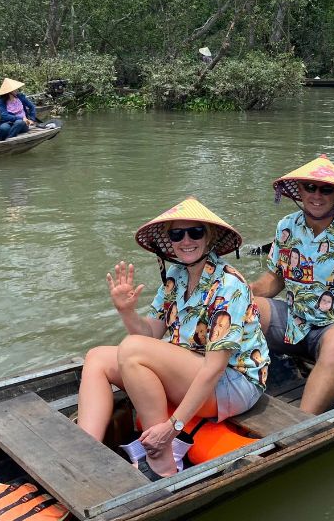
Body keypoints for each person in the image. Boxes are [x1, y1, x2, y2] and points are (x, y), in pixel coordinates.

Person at [75, 197, 268, 481]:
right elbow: (149, 335)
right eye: (177, 234)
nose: (185, 240)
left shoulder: (229, 285)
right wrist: (126, 311)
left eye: (195, 232)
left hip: (232, 382)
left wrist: (173, 427)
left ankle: (162, 458)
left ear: (209, 236)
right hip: (192, 368)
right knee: (97, 358)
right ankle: (83, 451)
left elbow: (214, 369)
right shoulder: (176, 276)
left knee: (132, 350)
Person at [252, 155, 334, 414]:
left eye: (326, 189)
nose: (317, 195)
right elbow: (274, 279)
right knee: (246, 308)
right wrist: (241, 293)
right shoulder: (287, 227)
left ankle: (299, 427)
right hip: (294, 320)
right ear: (300, 191)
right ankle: (227, 390)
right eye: (310, 187)